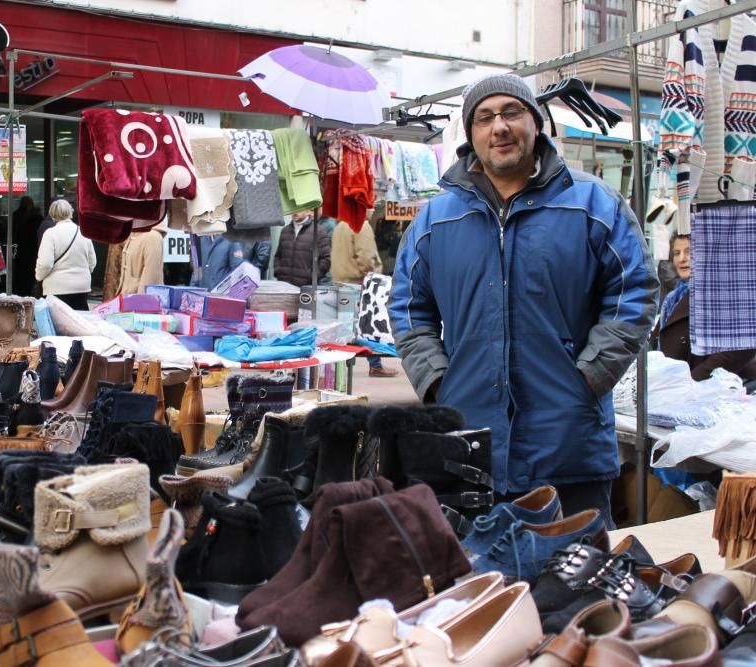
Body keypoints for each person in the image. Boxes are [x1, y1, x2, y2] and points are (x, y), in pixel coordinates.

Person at [389, 73, 658, 525]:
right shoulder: (436, 220)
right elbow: (408, 307)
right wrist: (437, 382)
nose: (500, 127)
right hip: (470, 441)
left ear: (537, 124)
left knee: (576, 582)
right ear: (470, 134)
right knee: (481, 584)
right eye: (484, 117)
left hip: (567, 441)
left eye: (512, 112)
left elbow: (634, 291)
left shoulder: (593, 204)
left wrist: (589, 376)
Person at [654, 233, 756, 382]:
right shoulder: (672, 298)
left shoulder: (719, 290)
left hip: (714, 391)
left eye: (689, 251)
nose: (682, 258)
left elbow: (741, 347)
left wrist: (695, 378)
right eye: (677, 253)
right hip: (672, 389)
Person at [332, 219, 397, 378]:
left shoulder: (340, 225)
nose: (372, 209)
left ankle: (339, 368)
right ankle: (375, 365)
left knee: (344, 328)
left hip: (341, 280)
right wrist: (375, 274)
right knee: (367, 326)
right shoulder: (361, 224)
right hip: (358, 281)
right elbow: (367, 256)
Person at [35, 199, 96, 310]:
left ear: (52, 214)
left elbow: (45, 264)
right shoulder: (83, 232)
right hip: (82, 287)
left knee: (59, 324)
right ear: (70, 212)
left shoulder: (50, 234)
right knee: (79, 322)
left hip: (57, 288)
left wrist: (39, 277)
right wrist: (82, 273)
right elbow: (92, 262)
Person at [273, 208, 331, 287]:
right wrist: (278, 271)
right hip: (284, 285)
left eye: (299, 209)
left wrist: (312, 277)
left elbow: (325, 260)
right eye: (293, 209)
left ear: (308, 211)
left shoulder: (319, 232)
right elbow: (278, 255)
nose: (294, 212)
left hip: (306, 287)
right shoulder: (285, 231)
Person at [118, 222, 166, 295]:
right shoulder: (134, 234)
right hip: (127, 299)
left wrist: (141, 302)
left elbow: (150, 277)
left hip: (139, 302)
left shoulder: (153, 237)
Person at [11, 196, 43, 297]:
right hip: (33, 251)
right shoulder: (38, 219)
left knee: (20, 274)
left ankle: (19, 292)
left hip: (20, 250)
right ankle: (29, 293)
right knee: (30, 274)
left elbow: (14, 232)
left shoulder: (16, 216)